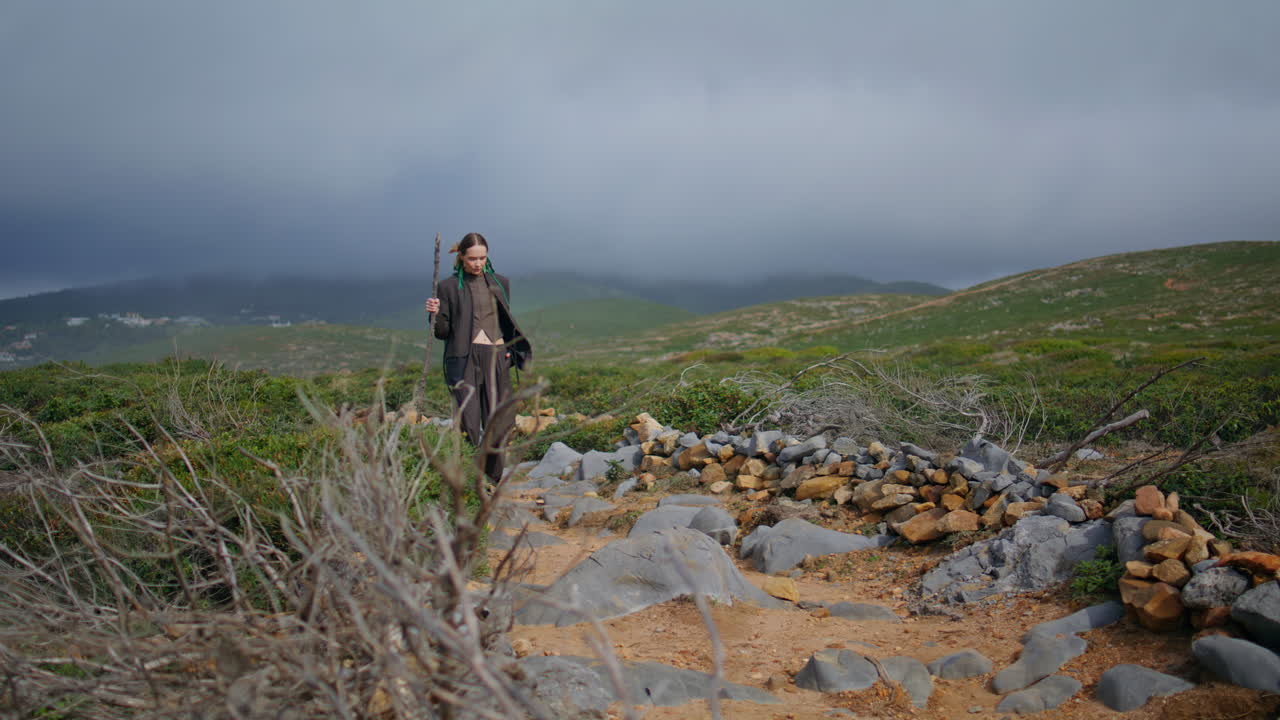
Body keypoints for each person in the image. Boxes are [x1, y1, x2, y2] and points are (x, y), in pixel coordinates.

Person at [424, 233, 532, 481]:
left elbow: (503, 319)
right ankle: (473, 479)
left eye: (482, 258)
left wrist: (509, 349)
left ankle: (491, 481)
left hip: (497, 357)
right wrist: (435, 313)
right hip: (464, 359)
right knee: (469, 424)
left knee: (501, 423)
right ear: (462, 257)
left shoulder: (500, 282)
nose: (478, 263)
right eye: (472, 258)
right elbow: (442, 333)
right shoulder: (448, 287)